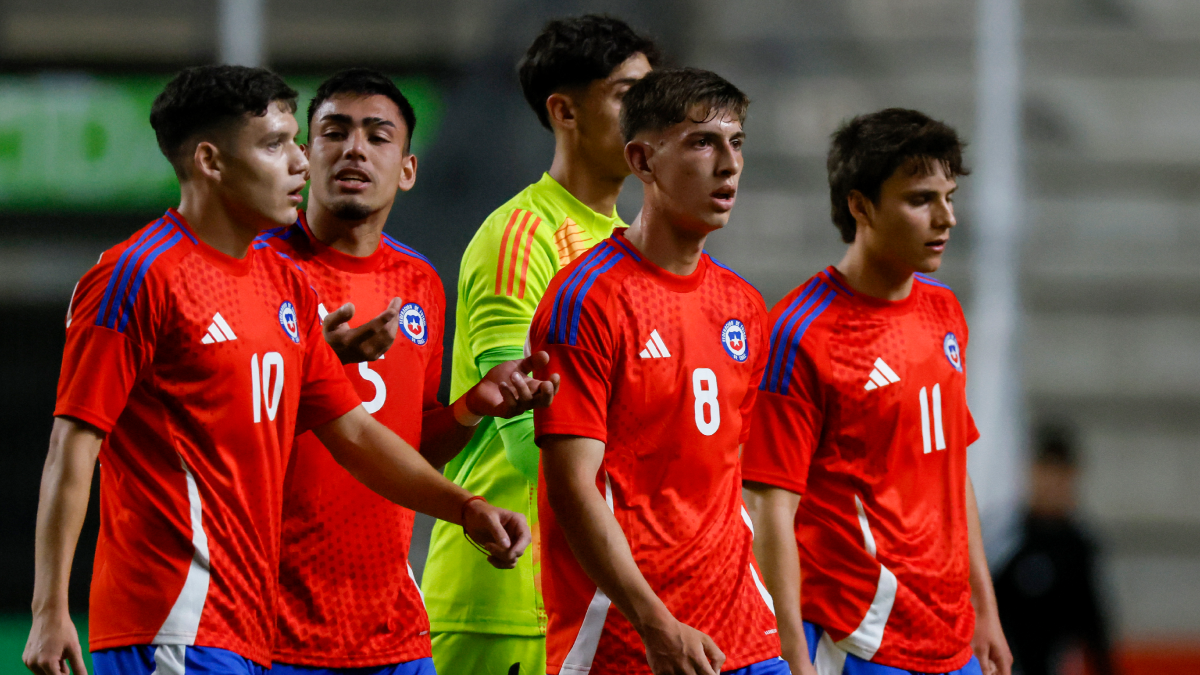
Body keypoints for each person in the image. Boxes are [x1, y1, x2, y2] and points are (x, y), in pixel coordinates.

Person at [22, 65, 538, 675]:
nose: (300, 162)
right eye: (276, 144)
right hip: (172, 619)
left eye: (295, 142)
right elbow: (73, 444)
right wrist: (50, 608)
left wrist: (467, 507)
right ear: (211, 162)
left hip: (251, 626)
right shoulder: (137, 274)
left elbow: (357, 434)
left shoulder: (283, 286)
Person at [259, 68, 559, 675]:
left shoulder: (418, 283)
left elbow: (414, 447)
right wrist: (320, 361)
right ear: (303, 156)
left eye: (377, 135)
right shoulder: (257, 268)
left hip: (392, 631)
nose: (354, 149)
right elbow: (226, 434)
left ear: (408, 169)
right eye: (334, 132)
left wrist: (473, 406)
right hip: (271, 631)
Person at [420, 15, 658, 675]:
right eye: (626, 94)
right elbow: (533, 442)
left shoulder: (630, 252)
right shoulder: (522, 237)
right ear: (565, 110)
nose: (648, 116)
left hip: (591, 595)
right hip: (504, 602)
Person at [530, 67, 786, 675]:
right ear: (642, 161)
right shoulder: (587, 298)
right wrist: (655, 622)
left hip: (745, 634)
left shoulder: (744, 305)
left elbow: (731, 481)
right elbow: (573, 487)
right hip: (630, 641)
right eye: (703, 142)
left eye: (737, 143)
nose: (728, 164)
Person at [741, 108, 1013, 675]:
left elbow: (950, 471)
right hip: (860, 642)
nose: (947, 218)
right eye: (921, 200)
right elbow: (771, 510)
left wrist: (985, 610)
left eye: (950, 196)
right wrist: (791, 653)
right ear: (860, 206)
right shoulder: (799, 331)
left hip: (953, 637)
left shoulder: (945, 311)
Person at [994, 424, 1115, 675]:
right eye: (1046, 472)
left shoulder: (1079, 547)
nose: (1053, 484)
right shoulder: (1007, 538)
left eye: (1060, 474)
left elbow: (1094, 623)